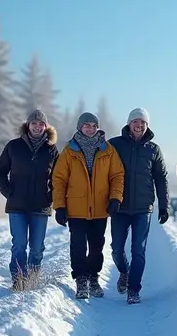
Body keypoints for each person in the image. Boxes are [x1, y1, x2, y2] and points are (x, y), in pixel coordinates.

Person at [52, 111, 125, 300]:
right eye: (87, 125)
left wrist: (115, 198)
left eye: (94, 125)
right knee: (77, 245)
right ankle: (81, 280)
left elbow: (117, 176)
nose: (90, 129)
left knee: (96, 246)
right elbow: (59, 179)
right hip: (75, 208)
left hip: (100, 208)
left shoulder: (108, 150)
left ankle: (93, 278)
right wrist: (59, 206)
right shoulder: (69, 150)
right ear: (80, 127)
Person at [107, 107, 170, 305]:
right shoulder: (114, 145)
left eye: (143, 122)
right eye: (136, 121)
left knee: (138, 250)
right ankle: (124, 272)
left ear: (147, 125)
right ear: (129, 123)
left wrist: (164, 205)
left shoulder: (153, 149)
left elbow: (161, 178)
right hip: (120, 206)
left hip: (144, 208)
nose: (139, 125)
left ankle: (134, 289)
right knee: (117, 249)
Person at [0, 109, 59, 291]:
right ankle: (19, 280)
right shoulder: (14, 146)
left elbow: (59, 178)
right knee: (19, 244)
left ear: (46, 127)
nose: (37, 127)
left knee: (37, 248)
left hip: (41, 206)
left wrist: (51, 196)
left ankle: (32, 279)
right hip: (17, 206)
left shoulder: (51, 150)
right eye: (34, 123)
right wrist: (9, 192)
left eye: (41, 124)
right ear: (27, 125)